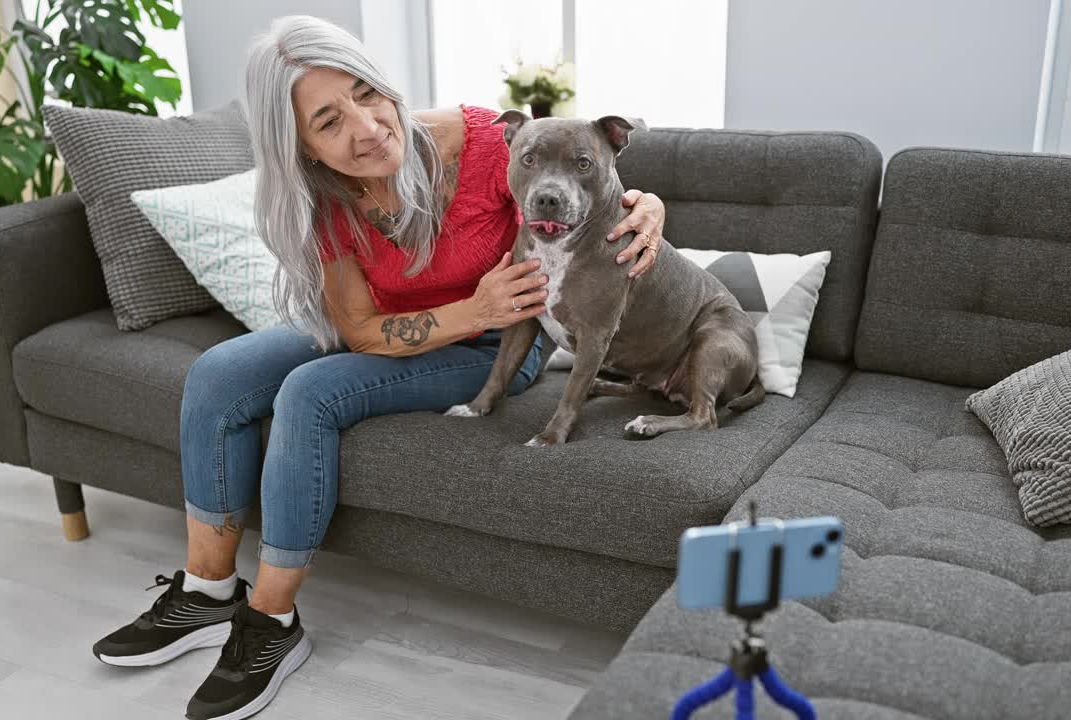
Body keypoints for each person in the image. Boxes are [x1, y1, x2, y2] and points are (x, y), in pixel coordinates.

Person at [90, 14, 667, 720]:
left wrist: (649, 205)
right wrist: (469, 306)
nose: (365, 128)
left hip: (494, 350)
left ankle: (272, 624)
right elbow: (359, 328)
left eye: (368, 94)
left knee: (309, 392)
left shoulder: (486, 144)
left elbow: (587, 177)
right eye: (329, 122)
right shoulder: (326, 196)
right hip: (409, 326)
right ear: (299, 147)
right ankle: (206, 593)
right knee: (215, 373)